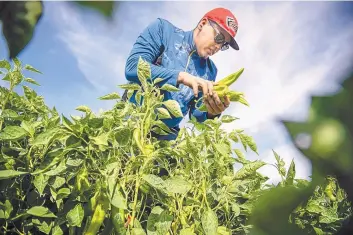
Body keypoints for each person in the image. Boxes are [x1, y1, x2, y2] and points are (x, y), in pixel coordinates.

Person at [123, 7, 240, 141]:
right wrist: (180, 77)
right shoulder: (163, 30)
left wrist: (211, 113)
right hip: (133, 120)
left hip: (166, 137)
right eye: (219, 37)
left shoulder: (210, 71)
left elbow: (196, 116)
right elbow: (133, 67)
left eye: (224, 45)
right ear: (203, 24)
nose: (219, 47)